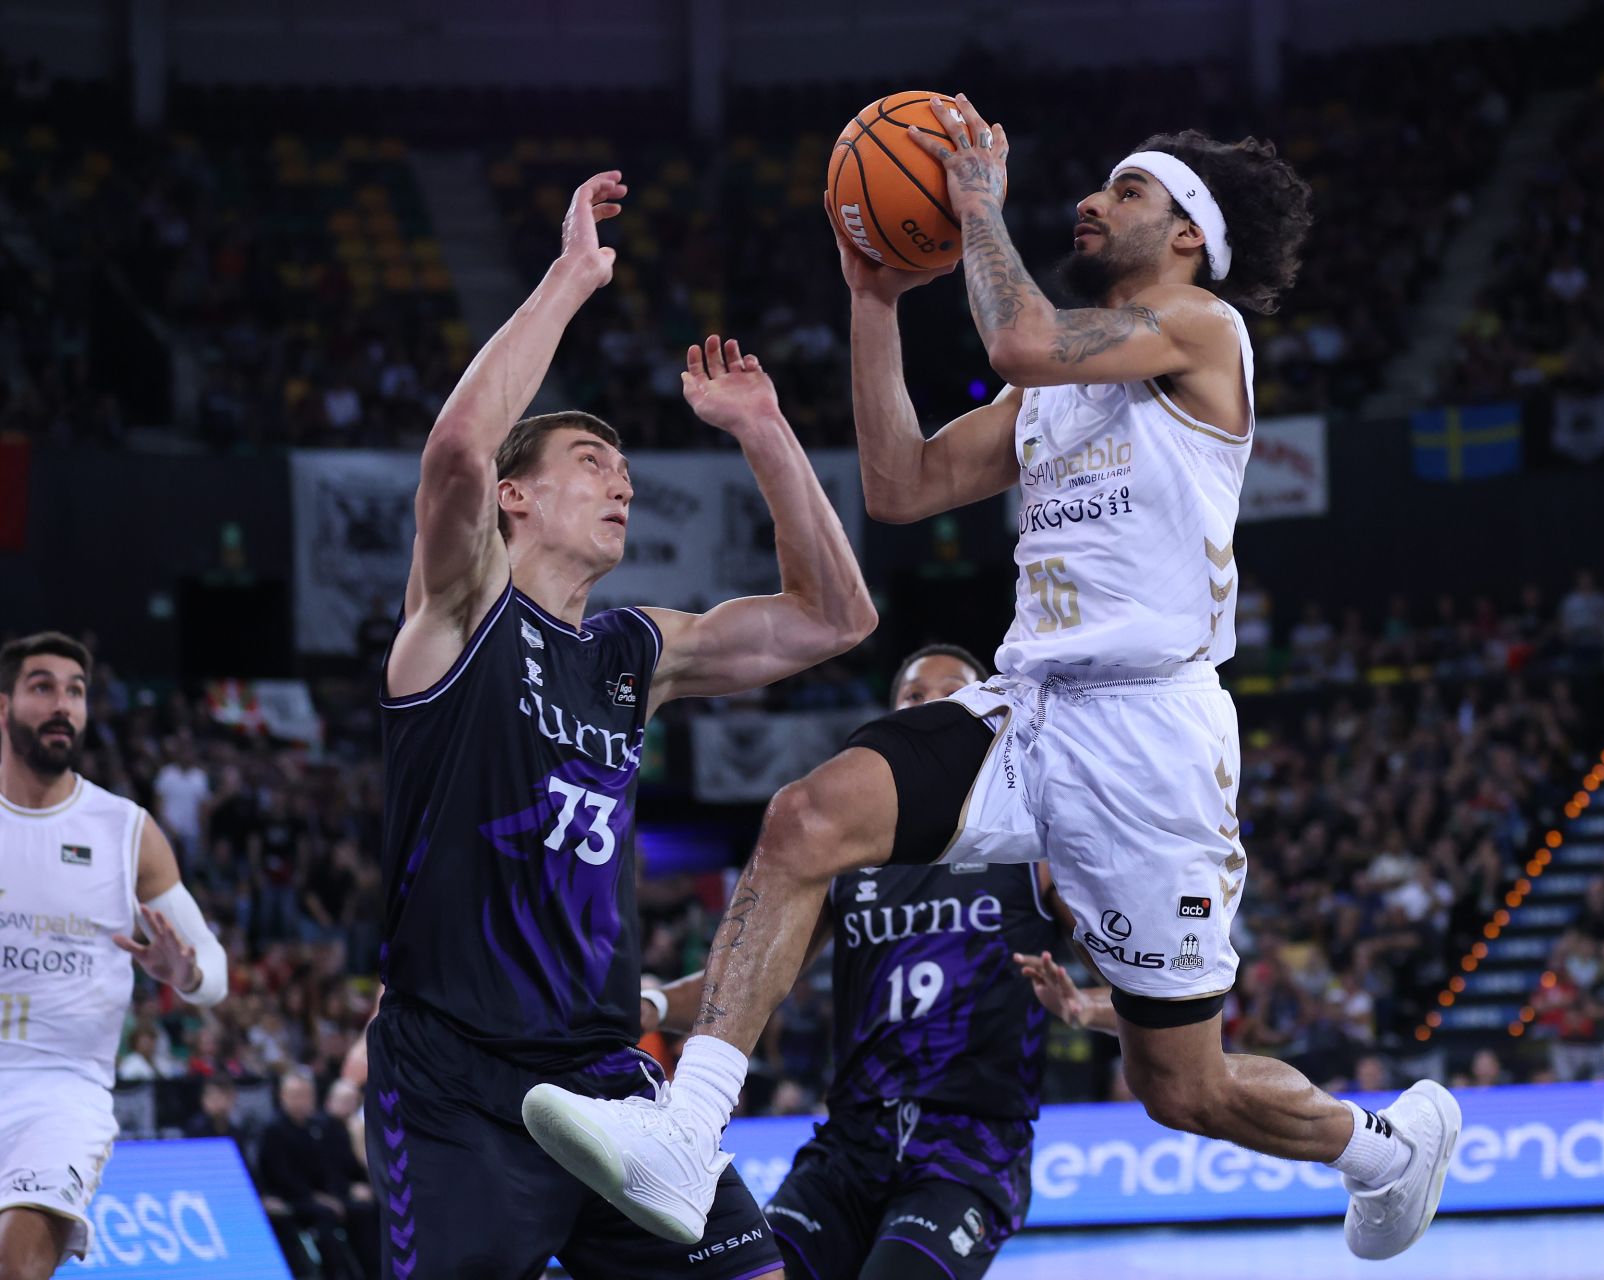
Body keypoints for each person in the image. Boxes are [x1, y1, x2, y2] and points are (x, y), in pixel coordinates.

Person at [528, 106, 1459, 1263]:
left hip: (1153, 738)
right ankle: (688, 1124)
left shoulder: (1204, 330)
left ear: (1185, 236)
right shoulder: (1049, 392)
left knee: (1184, 1085)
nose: (1095, 201)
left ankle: (1383, 1146)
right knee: (805, 817)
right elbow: (901, 484)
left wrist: (974, 208)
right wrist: (874, 302)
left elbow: (1018, 335)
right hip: (1032, 707)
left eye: (1128, 191)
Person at [366, 170, 872, 1280]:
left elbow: (836, 616)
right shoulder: (459, 618)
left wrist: (768, 430)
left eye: (628, 471)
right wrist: (570, 278)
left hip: (605, 1080)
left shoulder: (630, 653)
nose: (622, 485)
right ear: (516, 497)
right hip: (458, 1078)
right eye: (591, 463)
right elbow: (454, 450)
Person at [644, 645, 1075, 1279]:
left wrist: (1092, 1006)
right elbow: (748, 980)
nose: (931, 705)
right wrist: (650, 1004)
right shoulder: (846, 859)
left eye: (952, 695)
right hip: (851, 1143)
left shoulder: (1032, 846)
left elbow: (1122, 952)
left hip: (968, 1147)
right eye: (913, 696)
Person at [0, 633, 229, 1279]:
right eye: (42, 686)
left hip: (61, 1091)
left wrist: (184, 973)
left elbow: (213, 970)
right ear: (4, 706)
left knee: (16, 1264)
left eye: (75, 691)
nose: (63, 705)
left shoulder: (125, 829)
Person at [255, 1070, 376, 1280]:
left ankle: (374, 1271)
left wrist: (345, 1189)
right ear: (282, 1096)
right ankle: (335, 1274)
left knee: (365, 1210)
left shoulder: (318, 1126)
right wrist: (315, 1197)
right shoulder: (273, 1130)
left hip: (325, 1196)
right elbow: (280, 1176)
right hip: (292, 1199)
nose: (302, 1101)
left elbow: (330, 1167)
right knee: (325, 1217)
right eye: (295, 1095)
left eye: (306, 1094)